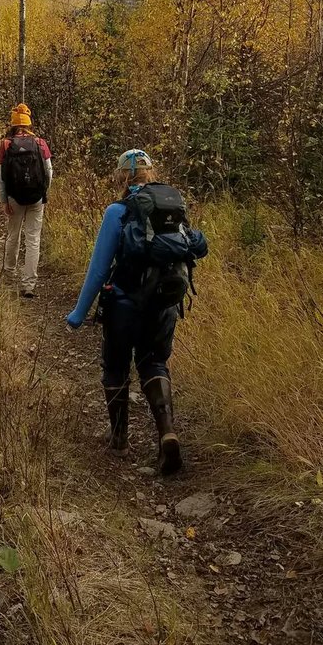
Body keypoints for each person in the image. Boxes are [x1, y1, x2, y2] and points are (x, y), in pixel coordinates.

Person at [65, 149, 207, 475]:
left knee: (116, 367)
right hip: (164, 305)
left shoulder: (117, 211)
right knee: (154, 363)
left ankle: (119, 440)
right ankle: (166, 432)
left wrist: (79, 312)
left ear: (121, 176)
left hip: (124, 306)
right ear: (151, 173)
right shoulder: (171, 207)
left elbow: (99, 270)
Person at [0, 103, 52, 298]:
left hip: (14, 198)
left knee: (13, 235)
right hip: (37, 197)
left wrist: (4, 200)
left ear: (12, 124)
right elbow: (48, 171)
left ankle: (9, 275)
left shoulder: (6, 144)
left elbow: (1, 176)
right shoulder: (40, 143)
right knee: (33, 239)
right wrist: (44, 192)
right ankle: (29, 284)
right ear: (29, 124)